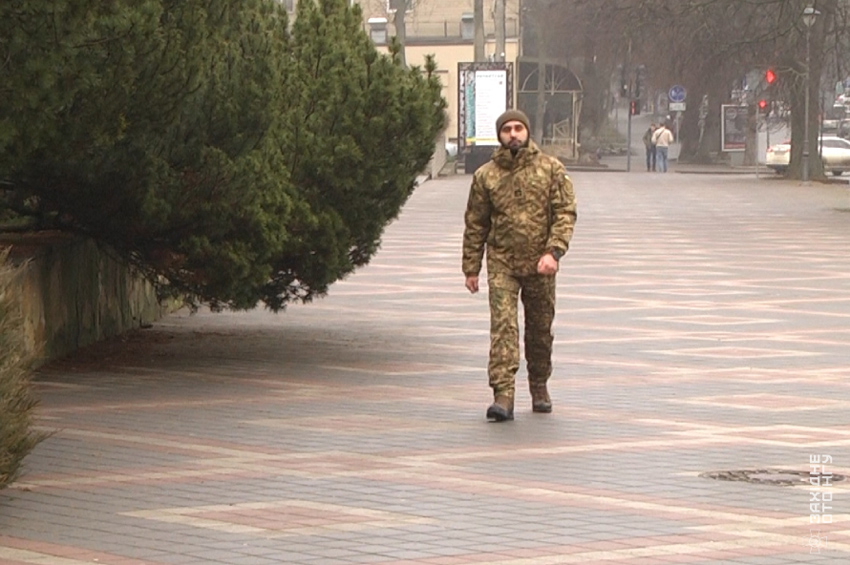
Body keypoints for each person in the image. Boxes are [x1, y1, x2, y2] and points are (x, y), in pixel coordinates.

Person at [462, 109, 578, 422]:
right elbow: (476, 222)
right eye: (507, 130)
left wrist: (553, 252)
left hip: (540, 262)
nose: (513, 134)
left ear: (527, 132)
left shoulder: (551, 169)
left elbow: (565, 213)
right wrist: (471, 268)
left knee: (540, 329)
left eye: (518, 128)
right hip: (502, 262)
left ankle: (539, 384)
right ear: (499, 135)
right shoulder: (486, 175)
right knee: (503, 327)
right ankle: (503, 394)